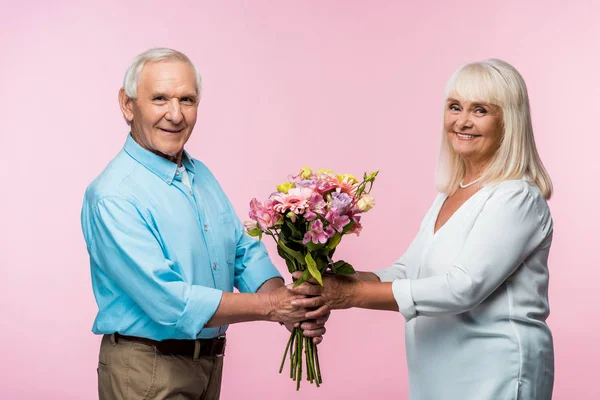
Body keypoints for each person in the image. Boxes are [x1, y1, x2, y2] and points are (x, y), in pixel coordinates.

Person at [291, 59, 554, 400]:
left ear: (509, 121)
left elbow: (462, 288)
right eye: (455, 107)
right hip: (439, 371)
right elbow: (407, 271)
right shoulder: (452, 192)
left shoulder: (517, 197)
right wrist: (334, 282)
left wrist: (350, 295)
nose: (463, 121)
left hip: (494, 374)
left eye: (480, 110)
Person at [80, 47, 329, 400]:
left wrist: (290, 306)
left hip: (208, 365)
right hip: (146, 370)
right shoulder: (113, 196)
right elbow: (170, 303)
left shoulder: (200, 175)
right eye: (160, 99)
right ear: (127, 104)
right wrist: (273, 307)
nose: (175, 114)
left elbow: (243, 251)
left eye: (187, 99)